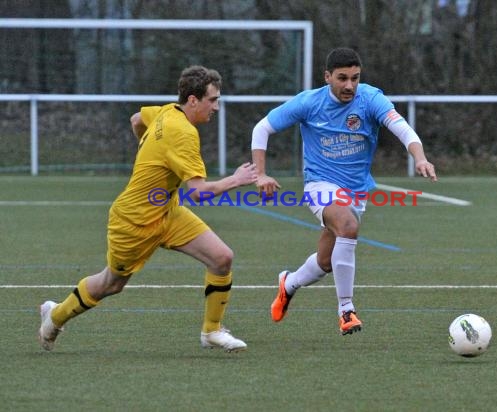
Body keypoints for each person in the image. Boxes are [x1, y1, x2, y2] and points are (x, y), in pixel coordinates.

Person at [39, 65, 257, 352]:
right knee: (111, 284)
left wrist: (148, 153)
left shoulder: (168, 111)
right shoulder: (183, 134)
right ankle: (54, 316)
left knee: (222, 258)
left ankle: (212, 331)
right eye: (213, 100)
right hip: (134, 221)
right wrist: (237, 179)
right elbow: (199, 192)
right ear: (193, 100)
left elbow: (136, 119)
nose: (217, 107)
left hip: (166, 210)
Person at [251, 47, 437, 335]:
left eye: (355, 78)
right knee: (348, 226)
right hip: (319, 184)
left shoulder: (371, 98)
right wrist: (260, 173)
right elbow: (262, 128)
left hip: (356, 191)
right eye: (342, 78)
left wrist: (420, 157)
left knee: (325, 262)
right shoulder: (309, 103)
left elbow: (402, 129)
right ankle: (346, 310)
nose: (349, 85)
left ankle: (288, 284)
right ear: (327, 77)